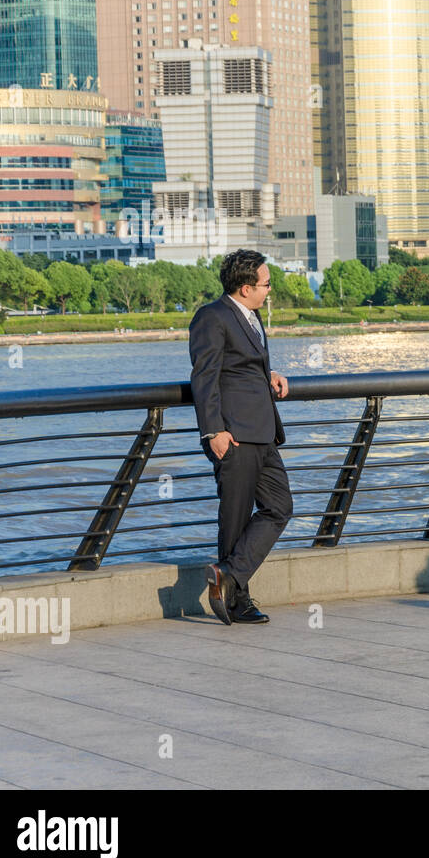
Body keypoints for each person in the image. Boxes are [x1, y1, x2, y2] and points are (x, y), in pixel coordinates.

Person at [189, 249, 293, 625]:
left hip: (263, 431)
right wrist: (212, 430)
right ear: (246, 287)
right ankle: (237, 601)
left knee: (280, 507)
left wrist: (269, 375)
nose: (270, 289)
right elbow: (205, 376)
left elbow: (239, 365)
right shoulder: (211, 317)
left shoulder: (251, 316)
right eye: (266, 284)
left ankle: (228, 575)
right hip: (232, 435)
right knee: (234, 520)